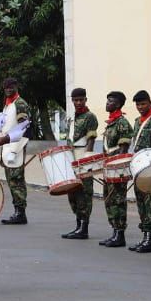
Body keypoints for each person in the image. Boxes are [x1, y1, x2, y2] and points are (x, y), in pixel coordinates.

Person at [127, 90, 151, 253]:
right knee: (142, 203)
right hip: (139, 166)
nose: (140, 107)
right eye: (138, 104)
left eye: (143, 104)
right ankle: (145, 236)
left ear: (150, 102)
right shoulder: (137, 121)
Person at [61, 87, 98, 240]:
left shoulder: (90, 117)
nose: (78, 102)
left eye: (81, 100)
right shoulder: (72, 118)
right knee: (73, 192)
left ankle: (84, 227)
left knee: (84, 193)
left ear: (85, 100)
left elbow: (91, 138)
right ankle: (78, 225)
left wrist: (87, 158)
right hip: (72, 156)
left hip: (83, 156)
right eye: (75, 100)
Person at [98, 91, 133, 248]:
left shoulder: (122, 123)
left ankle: (120, 234)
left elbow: (123, 150)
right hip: (108, 166)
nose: (107, 103)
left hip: (116, 168)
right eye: (107, 100)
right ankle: (114, 231)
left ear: (118, 104)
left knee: (118, 200)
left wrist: (114, 165)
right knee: (109, 199)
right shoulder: (111, 123)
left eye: (110, 101)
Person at [0, 78, 31, 225]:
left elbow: (24, 126)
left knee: (16, 181)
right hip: (8, 146)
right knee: (11, 181)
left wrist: (15, 150)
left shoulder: (20, 103)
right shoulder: (8, 104)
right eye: (5, 87)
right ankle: (18, 211)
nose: (8, 89)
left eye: (11, 87)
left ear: (16, 87)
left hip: (16, 147)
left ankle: (20, 213)